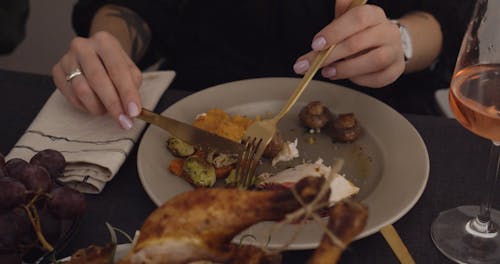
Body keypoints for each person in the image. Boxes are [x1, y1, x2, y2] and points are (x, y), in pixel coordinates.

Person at [52, 0, 474, 130]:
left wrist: (398, 41)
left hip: (379, 116)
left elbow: (445, 19)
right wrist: (107, 50)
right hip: (195, 106)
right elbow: (130, 7)